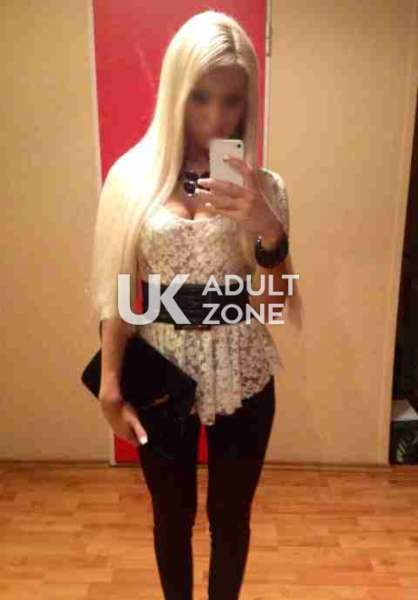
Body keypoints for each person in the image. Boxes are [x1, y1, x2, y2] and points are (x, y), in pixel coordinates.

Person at [87, 10, 291, 600]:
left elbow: (275, 305)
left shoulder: (266, 188)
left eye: (231, 100)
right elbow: (122, 289)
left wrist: (267, 229)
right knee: (170, 519)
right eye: (200, 97)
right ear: (176, 91)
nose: (216, 117)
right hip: (161, 372)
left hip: (244, 370)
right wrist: (110, 381)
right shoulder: (133, 179)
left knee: (232, 521)